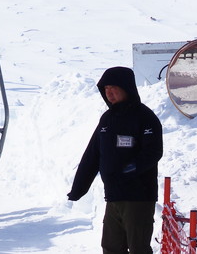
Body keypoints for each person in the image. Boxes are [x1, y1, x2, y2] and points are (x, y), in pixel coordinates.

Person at [68, 66, 163, 254]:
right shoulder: (107, 119)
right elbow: (92, 155)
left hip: (138, 197)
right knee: (111, 248)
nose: (109, 92)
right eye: (105, 89)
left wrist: (130, 169)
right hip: (113, 197)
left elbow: (153, 151)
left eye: (114, 87)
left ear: (126, 88)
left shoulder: (145, 117)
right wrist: (78, 188)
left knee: (138, 249)